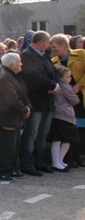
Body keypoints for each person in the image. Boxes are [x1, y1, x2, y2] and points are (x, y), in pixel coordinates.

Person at [19, 31, 59, 176]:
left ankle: (40, 161)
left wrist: (54, 84)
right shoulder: (26, 55)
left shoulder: (45, 55)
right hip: (35, 101)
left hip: (48, 101)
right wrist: (51, 86)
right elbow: (33, 76)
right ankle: (27, 164)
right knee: (31, 133)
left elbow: (55, 72)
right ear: (41, 41)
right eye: (47, 42)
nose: (48, 46)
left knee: (43, 133)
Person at [0, 53, 30, 180]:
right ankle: (2, 170)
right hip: (6, 118)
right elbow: (12, 100)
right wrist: (24, 110)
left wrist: (28, 107)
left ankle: (13, 168)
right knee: (7, 146)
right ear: (12, 64)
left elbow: (23, 94)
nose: (22, 64)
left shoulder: (15, 76)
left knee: (15, 145)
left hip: (15, 118)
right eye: (19, 61)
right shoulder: (5, 78)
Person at [50, 33, 85, 167]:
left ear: (63, 45)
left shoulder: (81, 54)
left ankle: (80, 155)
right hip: (65, 101)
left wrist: (79, 84)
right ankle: (71, 157)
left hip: (81, 95)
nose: (53, 50)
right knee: (70, 129)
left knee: (81, 127)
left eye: (55, 47)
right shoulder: (54, 62)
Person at [51, 66, 79, 171]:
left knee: (59, 139)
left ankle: (58, 161)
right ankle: (57, 161)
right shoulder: (66, 87)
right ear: (62, 78)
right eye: (68, 77)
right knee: (64, 139)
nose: (70, 79)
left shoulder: (57, 86)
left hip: (56, 114)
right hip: (64, 115)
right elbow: (75, 100)